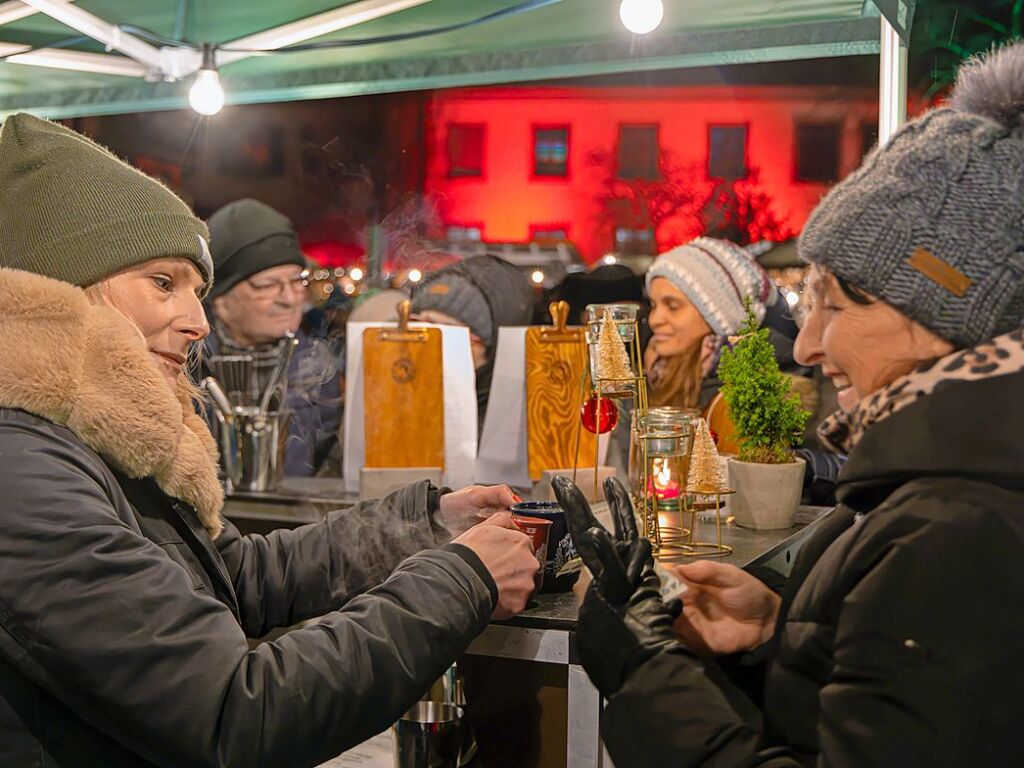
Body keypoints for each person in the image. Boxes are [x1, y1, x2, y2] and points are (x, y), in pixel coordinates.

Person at [0, 114, 541, 767]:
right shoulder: (22, 472)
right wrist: (462, 578)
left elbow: (242, 577)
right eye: (163, 282)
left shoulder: (87, 441)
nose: (197, 320)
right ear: (61, 291)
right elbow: (236, 711)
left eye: (199, 290)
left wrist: (428, 524)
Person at [554, 43, 1024, 767]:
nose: (806, 343)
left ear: (941, 315)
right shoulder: (941, 488)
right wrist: (778, 631)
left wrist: (648, 678)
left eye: (832, 303)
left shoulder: (960, 528)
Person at [203, 198, 341, 476]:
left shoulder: (316, 369)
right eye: (268, 286)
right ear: (220, 299)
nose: (290, 299)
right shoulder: (186, 367)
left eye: (296, 281)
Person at [645, 236, 810, 411]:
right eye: (653, 305)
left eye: (673, 306)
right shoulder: (659, 373)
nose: (654, 320)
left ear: (722, 316)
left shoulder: (754, 398)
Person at [410, 254, 534, 427]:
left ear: (491, 348)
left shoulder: (521, 430)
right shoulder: (393, 404)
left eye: (446, 333)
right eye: (416, 326)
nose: (425, 346)